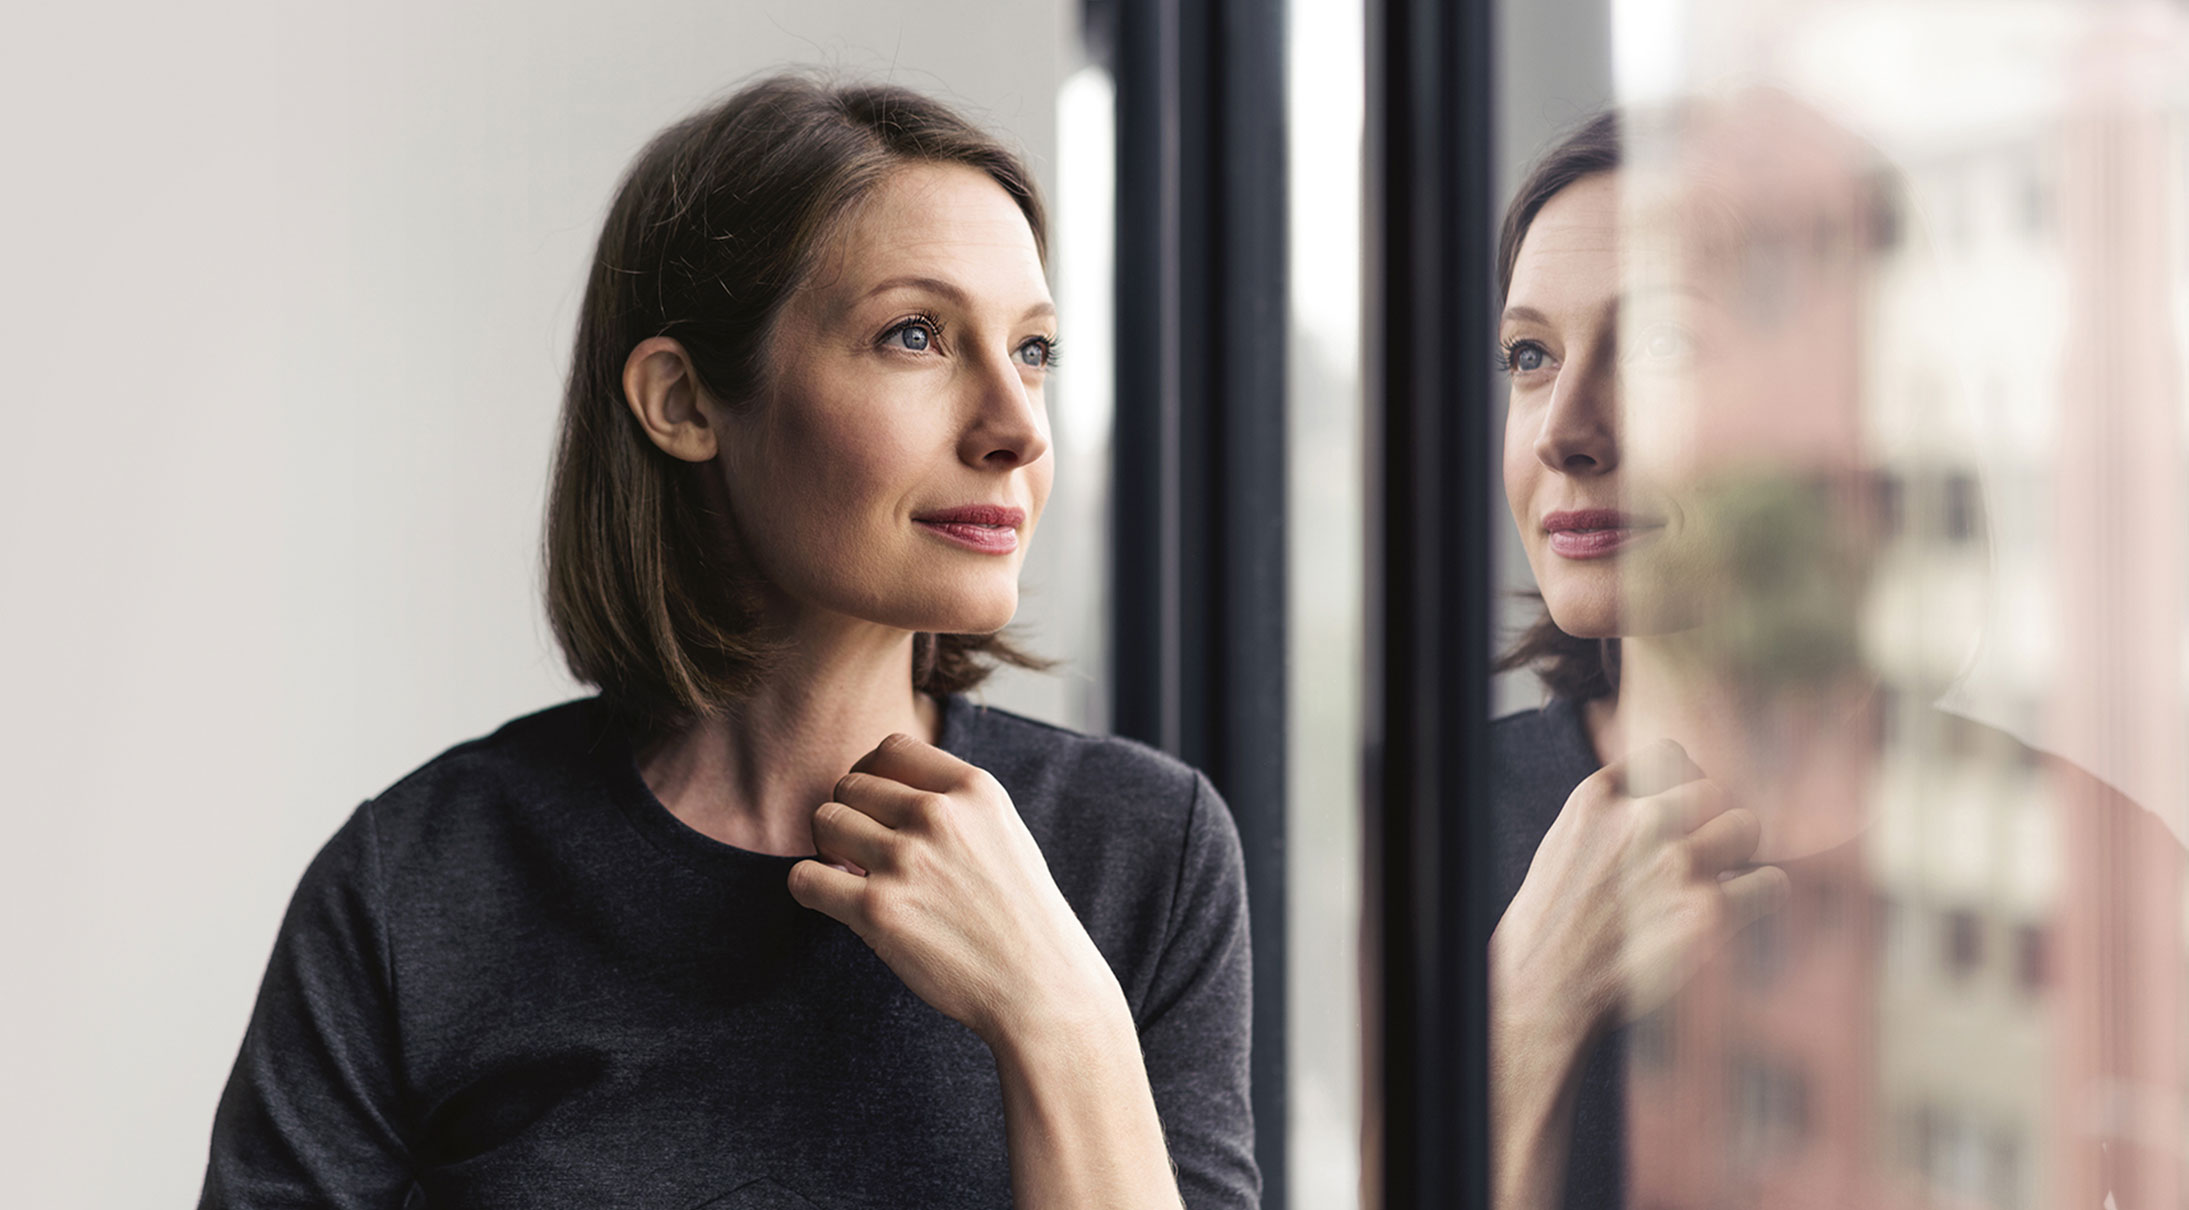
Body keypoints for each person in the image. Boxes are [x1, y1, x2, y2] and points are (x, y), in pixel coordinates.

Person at [200, 75, 1255, 1209]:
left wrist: (1056, 1013)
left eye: (1034, 349)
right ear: (684, 401)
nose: (1015, 427)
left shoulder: (1148, 850)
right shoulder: (415, 884)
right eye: (916, 336)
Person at [1485, 99, 2186, 1210]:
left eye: (1659, 344)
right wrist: (1521, 1020)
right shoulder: (1416, 837)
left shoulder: (2100, 869)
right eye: (1528, 354)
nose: (1560, 427)